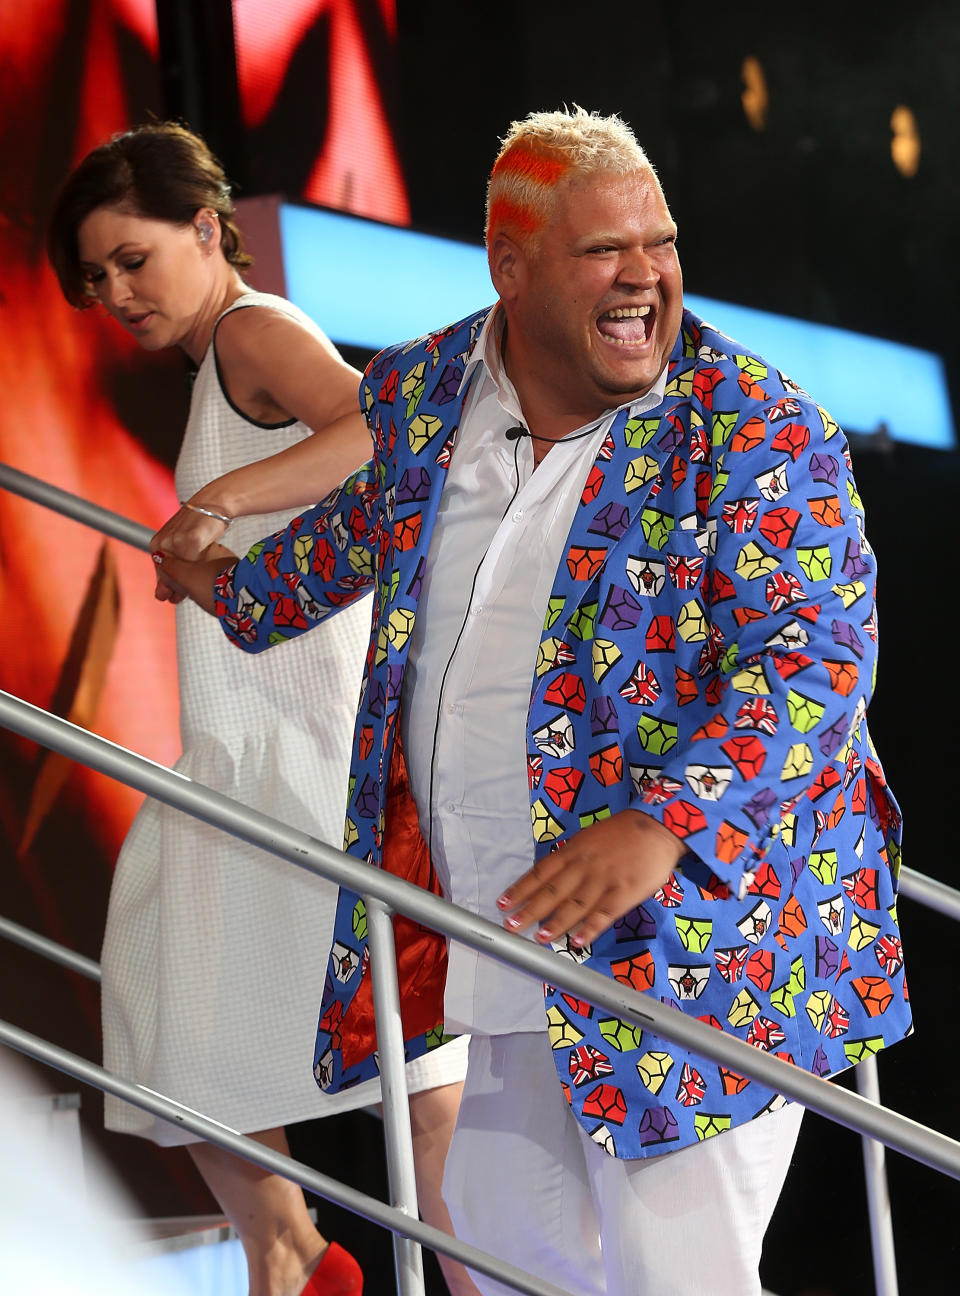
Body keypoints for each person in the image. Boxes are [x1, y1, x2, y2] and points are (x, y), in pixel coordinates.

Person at [158, 107, 912, 1295]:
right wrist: (231, 587)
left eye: (659, 243)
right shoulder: (429, 392)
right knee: (498, 1246)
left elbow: (812, 663)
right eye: (606, 250)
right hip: (508, 937)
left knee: (684, 1275)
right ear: (511, 265)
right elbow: (357, 540)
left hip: (700, 953)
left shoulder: (759, 430)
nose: (645, 277)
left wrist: (664, 822)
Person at [46, 122, 474, 1296]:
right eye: (95, 277)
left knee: (419, 1092)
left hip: (314, 752)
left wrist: (220, 500)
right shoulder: (224, 356)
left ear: (204, 225)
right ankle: (285, 1249)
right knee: (176, 999)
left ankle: (304, 1253)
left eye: (131, 259)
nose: (114, 292)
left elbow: (388, 430)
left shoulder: (254, 329)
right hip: (258, 753)